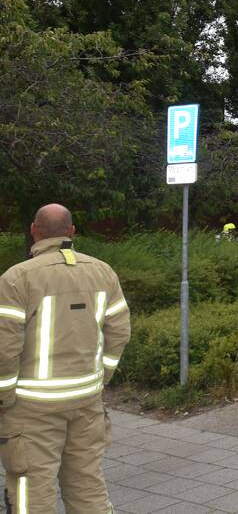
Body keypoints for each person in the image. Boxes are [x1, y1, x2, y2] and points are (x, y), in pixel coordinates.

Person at [0, 204, 131, 512]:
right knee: (87, 485)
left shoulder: (17, 278)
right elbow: (119, 333)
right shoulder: (103, 272)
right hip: (86, 401)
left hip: (32, 407)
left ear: (34, 231)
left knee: (32, 490)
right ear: (72, 232)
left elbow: (5, 347)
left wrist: (4, 398)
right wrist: (101, 378)